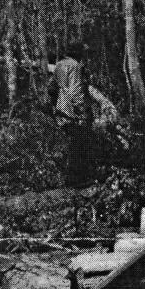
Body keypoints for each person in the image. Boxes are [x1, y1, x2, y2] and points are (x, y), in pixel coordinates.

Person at [47, 43, 94, 184]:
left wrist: (56, 105)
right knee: (80, 142)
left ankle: (72, 178)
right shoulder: (74, 66)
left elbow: (51, 88)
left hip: (61, 109)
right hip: (71, 111)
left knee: (73, 142)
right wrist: (82, 109)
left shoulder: (60, 64)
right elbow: (75, 91)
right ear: (78, 54)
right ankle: (78, 179)